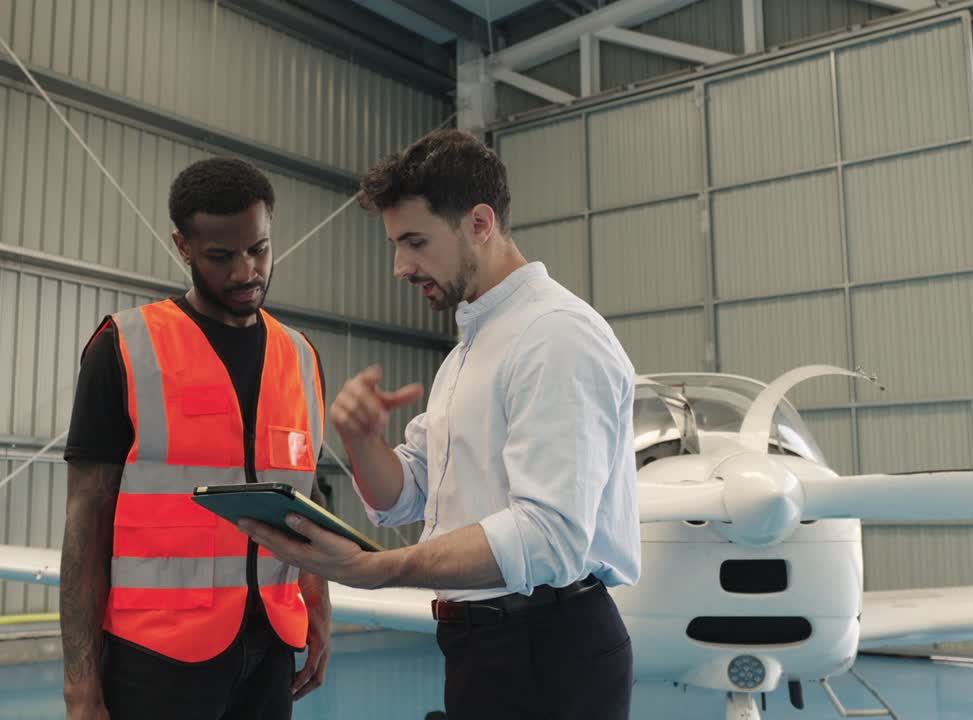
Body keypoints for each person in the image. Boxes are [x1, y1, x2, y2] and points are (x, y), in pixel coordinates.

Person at [240, 129, 641, 720]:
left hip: (550, 651)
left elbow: (548, 536)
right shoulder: (470, 348)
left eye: (415, 242)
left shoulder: (556, 337)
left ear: (479, 223)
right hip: (487, 644)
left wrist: (374, 569)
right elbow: (406, 494)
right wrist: (362, 442)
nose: (401, 267)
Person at [60, 157, 331, 720]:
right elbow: (86, 520)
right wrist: (80, 685)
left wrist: (318, 609)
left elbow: (307, 501)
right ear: (184, 247)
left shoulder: (300, 357)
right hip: (158, 655)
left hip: (273, 646)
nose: (245, 272)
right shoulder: (125, 349)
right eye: (221, 256)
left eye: (258, 248)